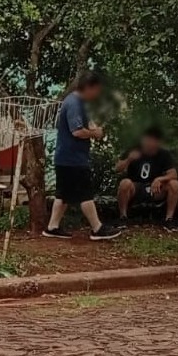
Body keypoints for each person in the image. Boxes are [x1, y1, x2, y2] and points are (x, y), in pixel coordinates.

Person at [43, 71, 122, 240]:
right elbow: (77, 131)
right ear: (89, 87)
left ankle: (52, 227)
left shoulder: (78, 102)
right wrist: (96, 133)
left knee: (63, 195)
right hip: (73, 159)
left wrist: (93, 128)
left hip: (66, 157)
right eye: (97, 90)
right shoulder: (74, 103)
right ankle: (97, 228)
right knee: (85, 194)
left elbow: (83, 125)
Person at [115, 127, 178, 230]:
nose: (150, 143)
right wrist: (128, 160)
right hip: (135, 187)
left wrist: (159, 179)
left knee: (174, 184)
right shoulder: (133, 150)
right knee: (125, 183)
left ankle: (169, 219)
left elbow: (173, 174)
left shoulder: (163, 153)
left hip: (155, 189)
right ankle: (123, 217)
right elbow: (117, 168)